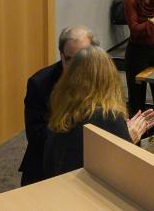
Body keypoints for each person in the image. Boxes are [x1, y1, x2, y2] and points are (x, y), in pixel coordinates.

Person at [39, 48, 154, 182]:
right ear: (109, 79)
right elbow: (121, 172)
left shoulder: (62, 110)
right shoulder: (108, 116)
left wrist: (122, 132)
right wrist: (129, 138)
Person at [21, 27, 97, 185]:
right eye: (70, 60)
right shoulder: (39, 83)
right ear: (62, 56)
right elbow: (36, 136)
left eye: (82, 60)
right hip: (46, 168)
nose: (77, 67)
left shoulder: (99, 76)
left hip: (89, 165)